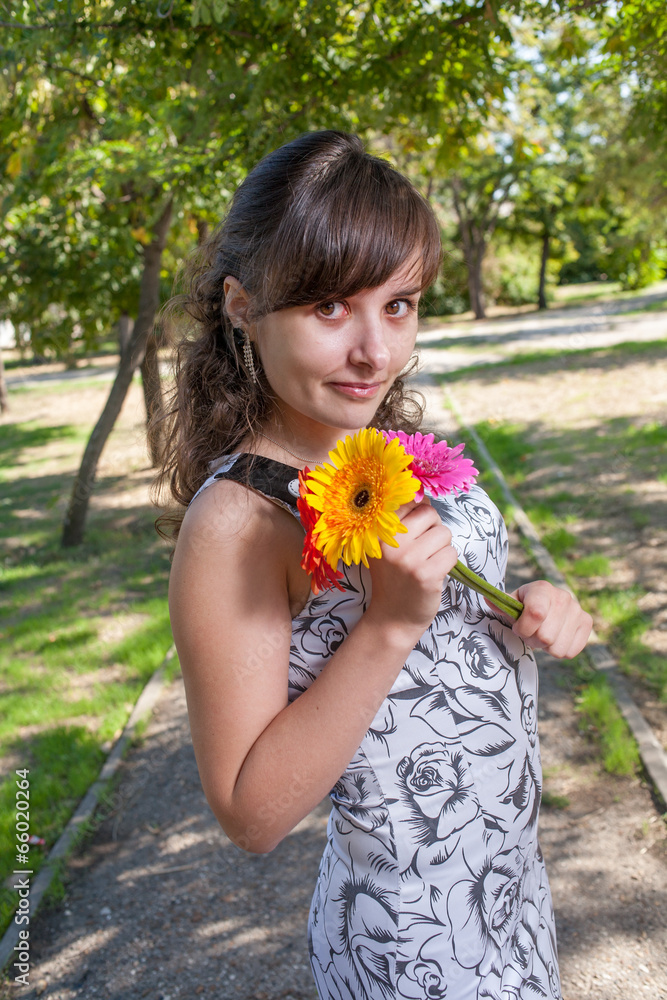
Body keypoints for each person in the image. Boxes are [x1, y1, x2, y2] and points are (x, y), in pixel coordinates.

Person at [157, 130, 592, 1000]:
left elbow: (449, 641)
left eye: (398, 305)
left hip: (508, 902)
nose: (375, 352)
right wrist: (390, 625)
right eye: (329, 309)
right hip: (410, 949)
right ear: (242, 306)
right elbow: (251, 813)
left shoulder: (380, 451)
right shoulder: (236, 521)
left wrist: (529, 607)